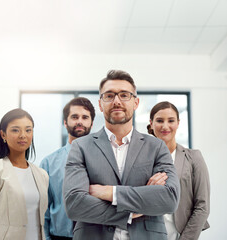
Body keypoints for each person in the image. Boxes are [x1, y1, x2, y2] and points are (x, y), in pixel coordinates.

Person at [63, 70, 180, 240]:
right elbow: (74, 204)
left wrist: (111, 193)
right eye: (109, 95)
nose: (117, 101)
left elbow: (169, 199)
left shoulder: (156, 147)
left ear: (136, 102)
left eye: (124, 95)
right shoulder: (80, 147)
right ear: (101, 104)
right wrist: (132, 211)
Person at [0, 108, 49, 240]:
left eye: (28, 130)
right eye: (15, 130)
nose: (23, 135)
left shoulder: (42, 175)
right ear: (3, 135)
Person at [147, 101, 210, 240]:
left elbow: (202, 206)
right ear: (151, 123)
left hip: (181, 235)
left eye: (171, 120)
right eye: (159, 120)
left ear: (178, 123)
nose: (165, 126)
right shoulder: (140, 160)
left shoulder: (194, 157)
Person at [40, 97, 95, 240]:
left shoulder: (105, 161)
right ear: (65, 122)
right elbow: (43, 209)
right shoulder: (48, 163)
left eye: (85, 117)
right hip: (59, 237)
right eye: (74, 117)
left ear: (91, 123)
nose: (80, 121)